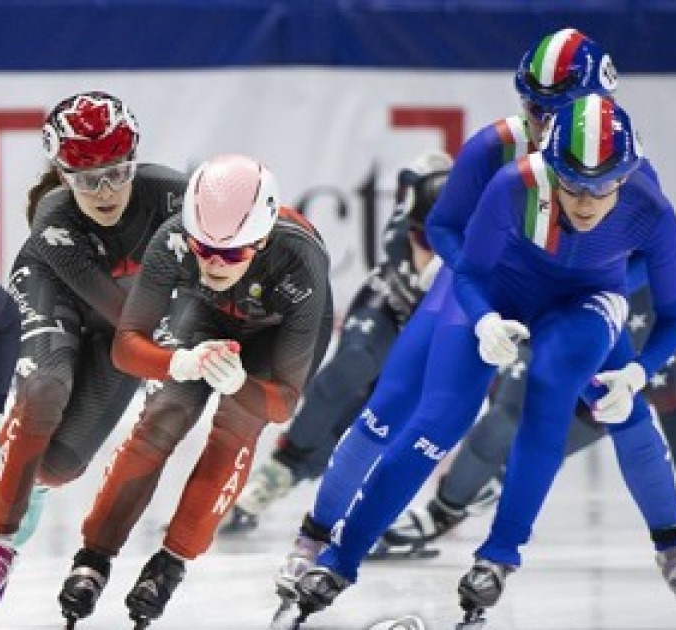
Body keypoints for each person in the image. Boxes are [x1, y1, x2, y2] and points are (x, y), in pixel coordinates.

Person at [282, 96, 676, 630]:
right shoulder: (512, 180)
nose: (586, 202)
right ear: (551, 166)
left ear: (626, 176)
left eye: (602, 186)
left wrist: (637, 372)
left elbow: (675, 316)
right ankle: (338, 556)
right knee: (437, 420)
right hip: (500, 290)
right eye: (574, 185)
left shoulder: (649, 206)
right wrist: (486, 320)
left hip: (584, 301)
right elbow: (466, 270)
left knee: (551, 391)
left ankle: (503, 553)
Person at [267, 27, 618, 607]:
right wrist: (468, 281)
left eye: (549, 108)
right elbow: (443, 227)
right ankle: (315, 537)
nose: (534, 117)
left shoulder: (617, 161)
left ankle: (483, 533)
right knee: (391, 415)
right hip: (469, 294)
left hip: (544, 297)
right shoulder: (493, 146)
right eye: (528, 102)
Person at [53, 154, 334, 629]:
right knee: (163, 414)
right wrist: (175, 362)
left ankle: (171, 561)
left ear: (261, 240)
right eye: (203, 248)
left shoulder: (300, 266)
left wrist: (241, 382)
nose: (213, 262)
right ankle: (93, 556)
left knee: (237, 427)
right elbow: (126, 347)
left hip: (277, 329)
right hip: (205, 312)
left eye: (230, 254)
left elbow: (282, 403)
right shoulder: (174, 241)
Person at [0, 91, 189, 627]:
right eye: (87, 179)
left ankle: (28, 469)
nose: (105, 190)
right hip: (56, 292)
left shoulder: (175, 197)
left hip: (118, 325)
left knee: (60, 466)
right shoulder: (53, 216)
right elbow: (123, 314)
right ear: (62, 175)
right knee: (45, 391)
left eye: (117, 172)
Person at [378, 256, 676, 577]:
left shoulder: (652, 340)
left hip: (634, 347)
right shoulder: (578, 287)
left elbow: (675, 424)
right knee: (504, 418)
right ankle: (446, 509)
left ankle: (496, 480)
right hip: (581, 311)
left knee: (573, 426)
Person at [219, 150, 452, 534]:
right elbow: (417, 175)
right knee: (346, 371)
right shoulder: (406, 223)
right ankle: (277, 472)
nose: (427, 249)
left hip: (432, 333)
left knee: (369, 418)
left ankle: (301, 479)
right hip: (390, 302)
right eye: (421, 235)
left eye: (441, 241)